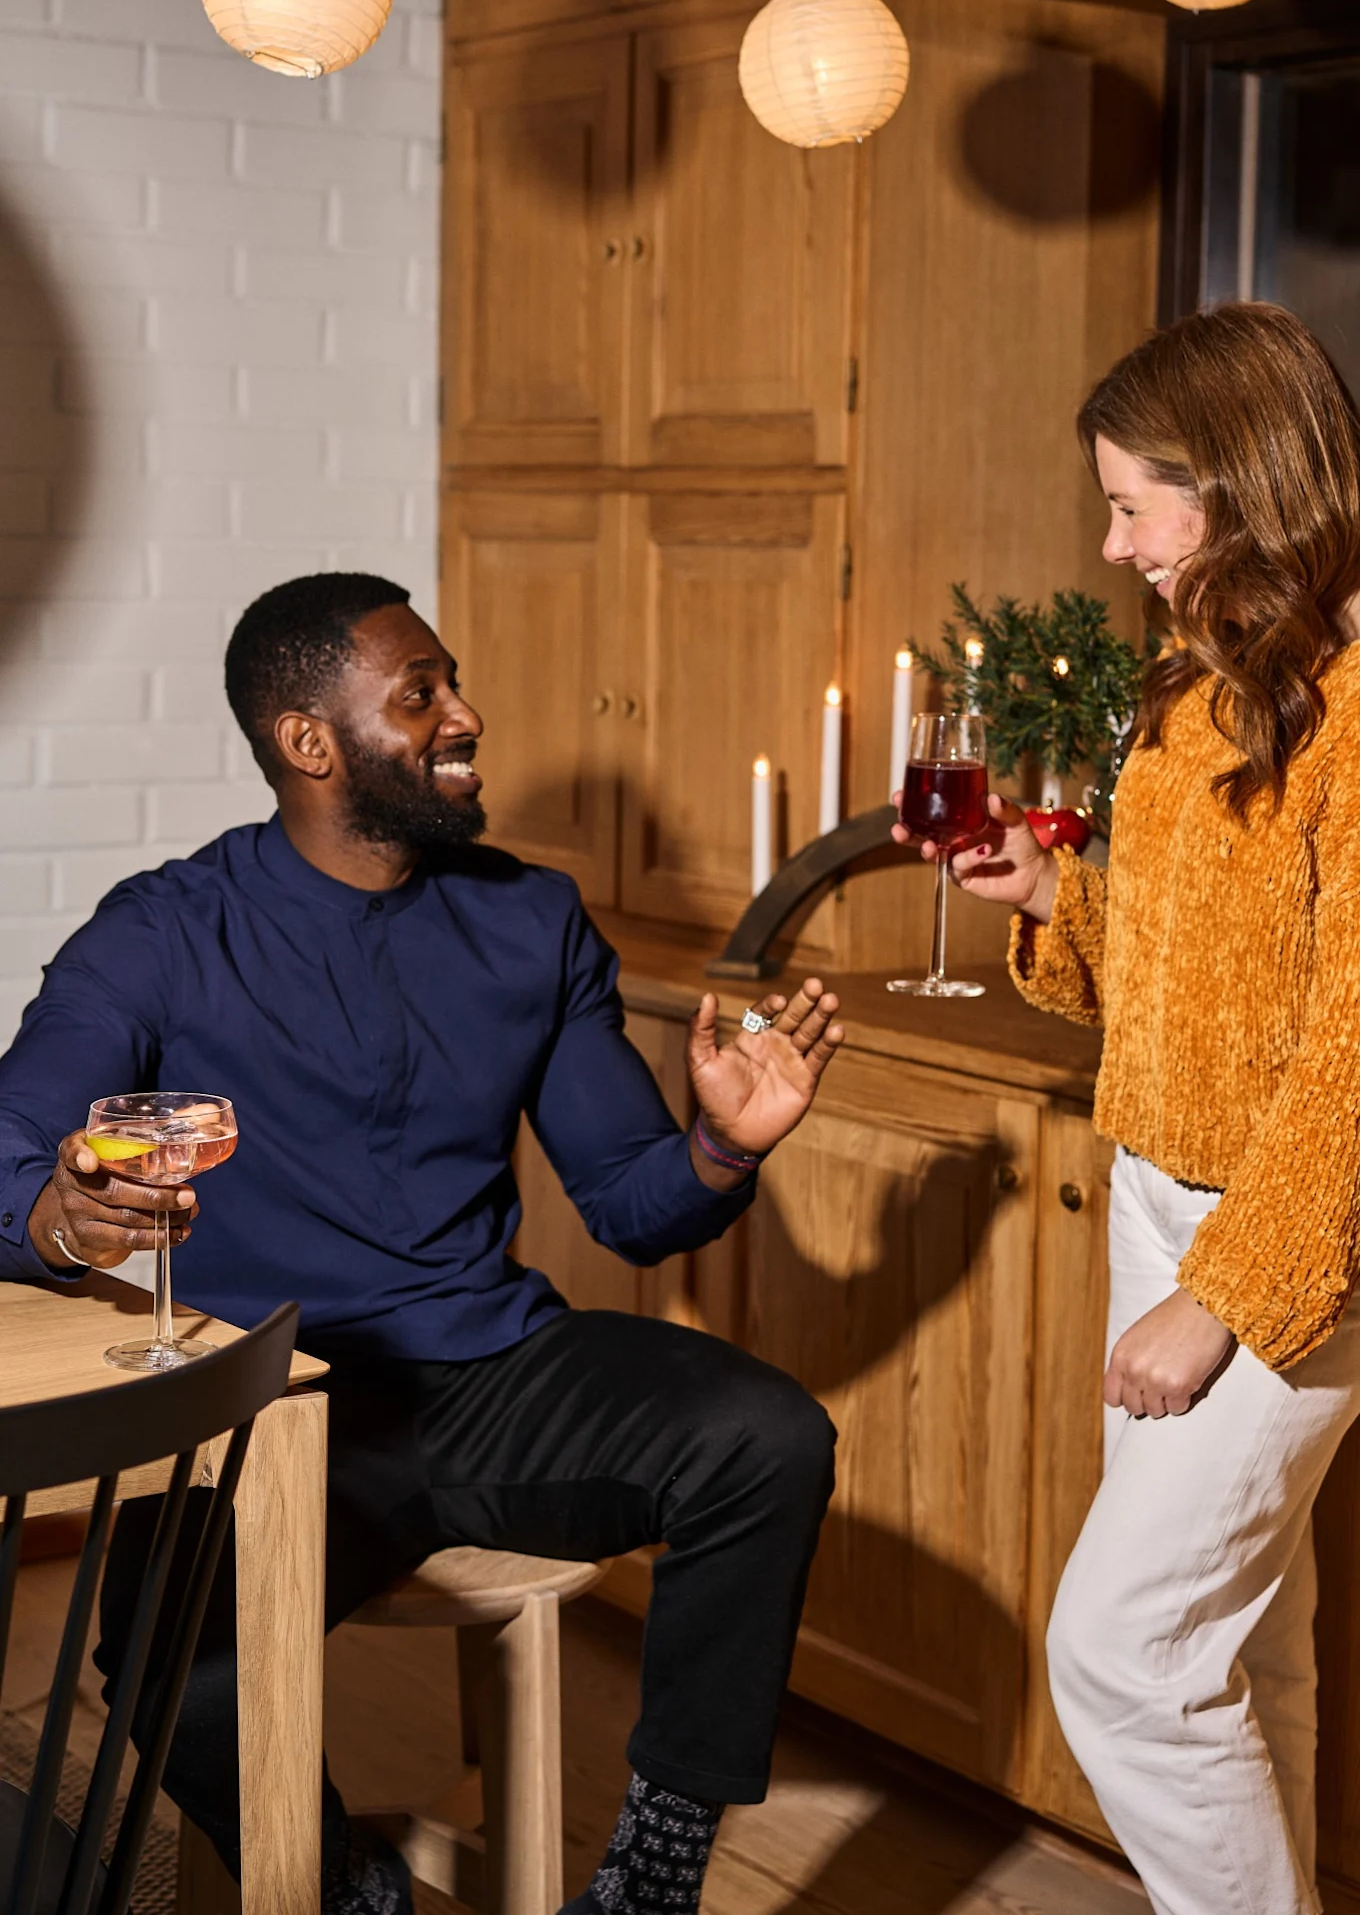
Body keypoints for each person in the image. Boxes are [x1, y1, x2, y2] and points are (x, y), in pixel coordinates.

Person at [0, 571, 846, 1915]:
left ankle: (652, 1875)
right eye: (423, 695)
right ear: (310, 742)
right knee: (168, 1668)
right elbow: (16, 1148)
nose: (468, 715)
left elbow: (630, 1200)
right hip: (265, 1400)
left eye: (451, 682)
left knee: (769, 1436)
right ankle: (350, 1888)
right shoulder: (162, 931)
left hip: (491, 1371)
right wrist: (60, 1212)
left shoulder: (530, 918)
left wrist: (720, 1145)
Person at [893, 302, 1360, 1915]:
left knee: (1121, 1651)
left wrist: (1223, 1297)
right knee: (1243, 1645)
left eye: (1131, 502)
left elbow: (1354, 1050)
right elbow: (1191, 983)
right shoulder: (1195, 687)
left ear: (1237, 481)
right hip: (1161, 1195)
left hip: (1286, 1240)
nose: (1113, 542)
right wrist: (1057, 892)